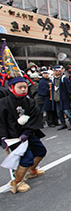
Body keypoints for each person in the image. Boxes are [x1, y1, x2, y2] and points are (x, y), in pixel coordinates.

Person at [0, 43, 46, 193]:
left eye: (25, 87)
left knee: (41, 151)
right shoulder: (4, 103)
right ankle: (17, 182)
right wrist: (2, 137)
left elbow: (35, 116)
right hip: (14, 136)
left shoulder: (29, 101)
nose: (24, 89)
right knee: (25, 158)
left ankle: (30, 171)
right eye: (20, 87)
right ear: (12, 88)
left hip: (27, 133)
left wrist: (27, 131)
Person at [50, 65, 71, 130]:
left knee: (67, 112)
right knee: (59, 112)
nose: (56, 72)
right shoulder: (53, 79)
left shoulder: (64, 78)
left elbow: (70, 88)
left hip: (64, 98)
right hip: (57, 98)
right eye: (54, 71)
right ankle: (63, 123)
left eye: (57, 70)